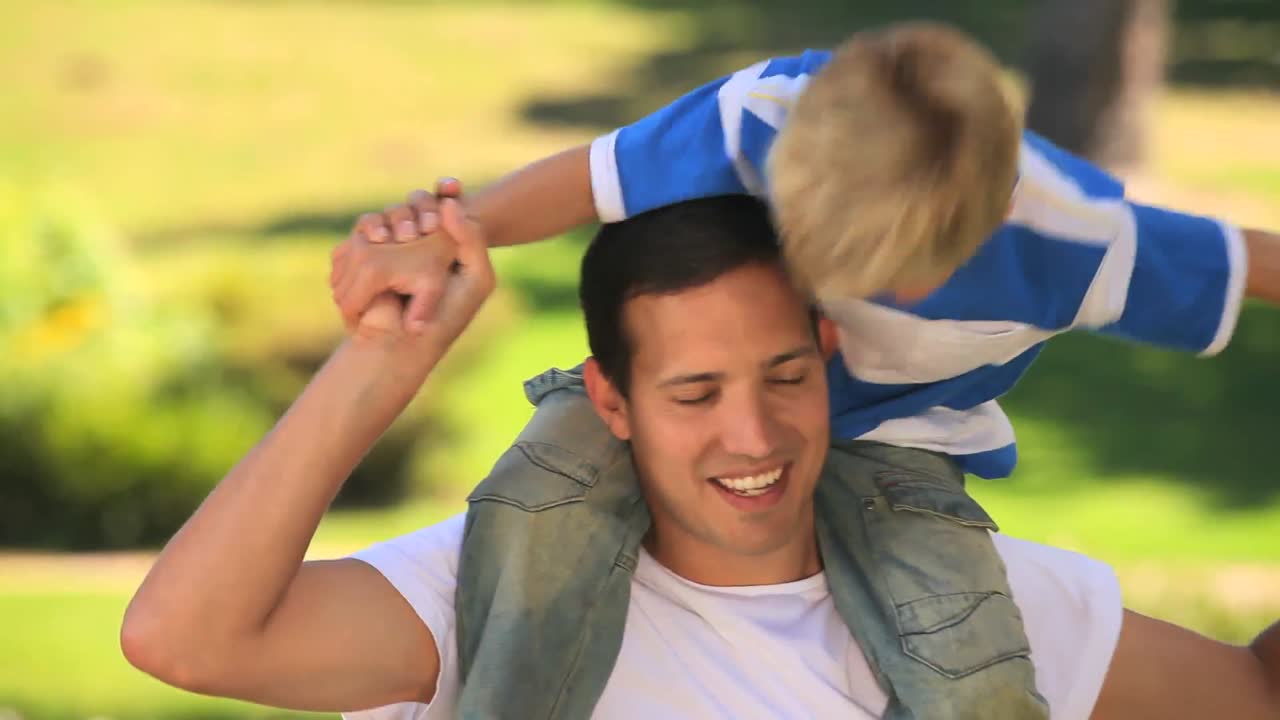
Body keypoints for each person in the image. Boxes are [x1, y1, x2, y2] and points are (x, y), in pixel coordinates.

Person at [325, 21, 1280, 714]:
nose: (884, 302)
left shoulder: (1080, 236)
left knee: (974, 677)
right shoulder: (758, 119)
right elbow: (590, 176)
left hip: (897, 453)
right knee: (535, 518)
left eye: (921, 275)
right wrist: (450, 235)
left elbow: (1253, 262)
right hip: (688, 395)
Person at [123, 196, 1280, 720]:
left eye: (783, 376)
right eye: (693, 394)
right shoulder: (487, 596)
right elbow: (184, 640)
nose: (751, 436)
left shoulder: (976, 608)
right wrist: (388, 359)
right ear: (610, 403)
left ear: (828, 353)